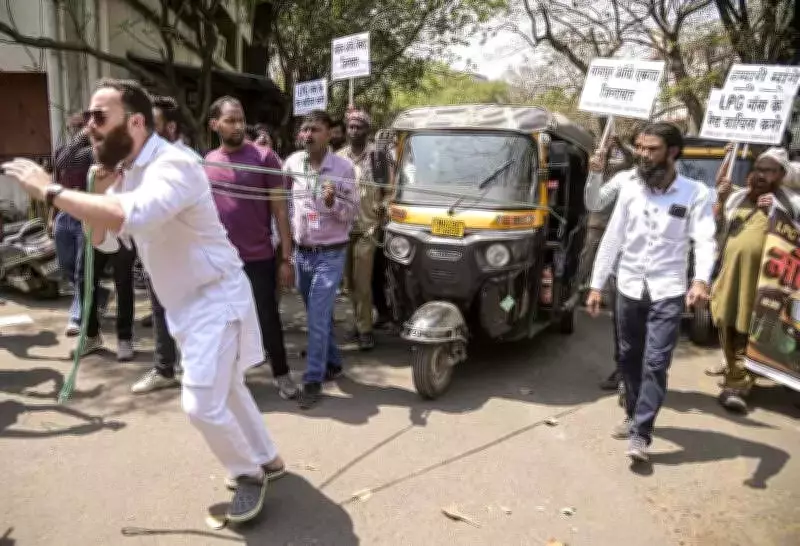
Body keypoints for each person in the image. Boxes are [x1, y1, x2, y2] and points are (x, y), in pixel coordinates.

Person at [2, 78, 284, 522]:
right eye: (85, 118)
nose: (87, 128)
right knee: (227, 388)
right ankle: (269, 458)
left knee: (201, 403)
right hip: (183, 305)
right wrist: (96, 192)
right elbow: (105, 241)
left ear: (135, 122)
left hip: (215, 296)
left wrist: (53, 191)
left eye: (99, 118)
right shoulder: (127, 175)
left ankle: (247, 474)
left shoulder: (174, 165)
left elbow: (136, 215)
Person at [586, 122, 717, 463]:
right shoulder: (630, 188)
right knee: (628, 358)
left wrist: (700, 280)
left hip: (667, 290)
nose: (643, 155)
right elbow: (613, 238)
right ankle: (632, 412)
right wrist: (596, 285)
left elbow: (704, 239)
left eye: (651, 149)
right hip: (628, 286)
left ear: (672, 152)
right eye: (640, 148)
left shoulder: (696, 193)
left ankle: (641, 434)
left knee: (655, 362)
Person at [205, 97, 298, 401]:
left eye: (240, 119)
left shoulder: (264, 157)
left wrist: (286, 258)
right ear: (214, 124)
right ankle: (232, 382)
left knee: (266, 318)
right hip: (222, 262)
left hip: (258, 258)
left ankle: (282, 375)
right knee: (224, 324)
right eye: (230, 120)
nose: (237, 125)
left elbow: (280, 212)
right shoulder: (207, 163)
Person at [711, 148, 800, 413]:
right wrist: (721, 199)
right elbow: (717, 229)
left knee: (757, 330)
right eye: (758, 169)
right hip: (732, 276)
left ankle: (742, 381)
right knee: (728, 323)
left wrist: (778, 211)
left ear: (781, 175)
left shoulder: (792, 203)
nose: (761, 175)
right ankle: (737, 380)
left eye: (769, 170)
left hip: (769, 284)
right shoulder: (739, 196)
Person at [283, 110, 358, 409]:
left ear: (330, 134)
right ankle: (334, 362)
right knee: (319, 313)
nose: (308, 135)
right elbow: (285, 204)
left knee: (316, 316)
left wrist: (334, 202)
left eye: (314, 129)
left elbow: (353, 213)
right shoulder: (292, 163)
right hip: (303, 253)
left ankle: (313, 379)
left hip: (331, 253)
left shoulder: (343, 168)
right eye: (304, 129)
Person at [131, 95, 200, 394]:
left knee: (188, 312)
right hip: (153, 254)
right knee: (160, 313)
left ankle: (192, 370)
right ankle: (164, 368)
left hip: (183, 257)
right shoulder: (143, 162)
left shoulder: (188, 161)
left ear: (171, 128)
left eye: (154, 126)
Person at [54, 114, 135, 361]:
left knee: (124, 282)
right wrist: (83, 134)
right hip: (94, 225)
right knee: (83, 280)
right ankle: (90, 336)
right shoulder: (92, 152)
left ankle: (124, 338)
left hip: (122, 226)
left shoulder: (127, 148)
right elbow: (64, 162)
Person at [578, 132, 636, 392]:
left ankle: (641, 375)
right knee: (621, 325)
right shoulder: (619, 177)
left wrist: (621, 144)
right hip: (604, 235)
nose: (645, 154)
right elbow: (594, 200)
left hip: (659, 279)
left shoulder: (682, 189)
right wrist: (596, 172)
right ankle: (623, 371)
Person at [338, 110, 391, 350]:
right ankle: (358, 321)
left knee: (363, 281)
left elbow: (390, 190)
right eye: (350, 126)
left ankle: (365, 329)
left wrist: (384, 206)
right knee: (348, 282)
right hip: (342, 227)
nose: (354, 131)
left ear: (367, 130)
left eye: (359, 127)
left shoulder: (378, 157)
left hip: (369, 228)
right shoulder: (338, 158)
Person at [52, 113, 94, 337]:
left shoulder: (92, 153)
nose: (76, 132)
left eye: (80, 128)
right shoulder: (63, 152)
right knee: (65, 264)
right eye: (73, 129)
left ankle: (76, 316)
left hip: (85, 215)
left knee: (80, 269)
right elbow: (59, 169)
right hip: (64, 214)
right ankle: (92, 296)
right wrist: (52, 216)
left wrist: (85, 136)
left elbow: (71, 161)